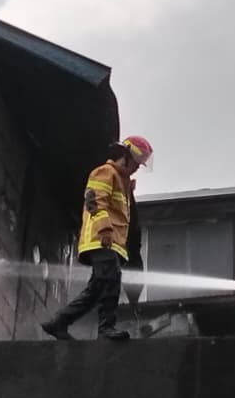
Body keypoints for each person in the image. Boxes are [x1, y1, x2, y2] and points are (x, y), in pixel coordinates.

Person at [41, 136, 154, 341]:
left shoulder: (124, 184)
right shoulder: (105, 172)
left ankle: (59, 322)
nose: (138, 167)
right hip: (101, 239)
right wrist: (105, 230)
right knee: (111, 280)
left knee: (97, 288)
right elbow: (94, 202)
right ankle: (106, 329)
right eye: (136, 163)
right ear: (125, 156)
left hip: (112, 243)